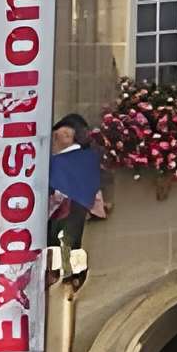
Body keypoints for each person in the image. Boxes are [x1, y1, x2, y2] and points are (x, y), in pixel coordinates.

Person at [45, 112, 104, 286]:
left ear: (67, 136)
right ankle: (70, 273)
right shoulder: (88, 158)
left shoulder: (64, 160)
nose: (55, 141)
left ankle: (64, 272)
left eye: (58, 136)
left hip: (66, 205)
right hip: (75, 204)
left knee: (63, 237)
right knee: (68, 238)